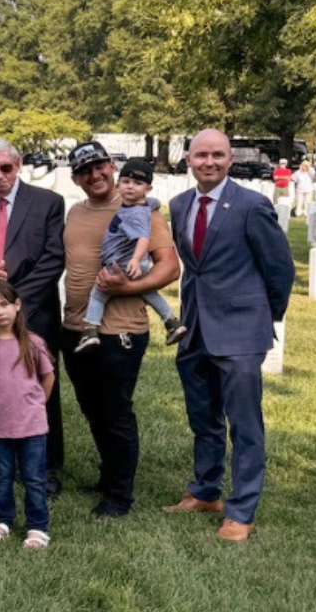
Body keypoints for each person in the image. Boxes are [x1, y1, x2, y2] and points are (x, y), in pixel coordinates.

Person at [164, 128, 294, 542]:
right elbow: (194, 269)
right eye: (201, 155)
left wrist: (263, 319)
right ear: (189, 160)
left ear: (230, 159)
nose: (209, 162)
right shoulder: (180, 204)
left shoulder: (252, 205)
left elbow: (280, 269)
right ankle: (205, 492)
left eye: (217, 155)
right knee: (203, 417)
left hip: (241, 332)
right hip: (195, 330)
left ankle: (241, 510)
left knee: (245, 425)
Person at [60, 140, 179, 518]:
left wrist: (127, 287)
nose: (94, 175)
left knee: (116, 410)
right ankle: (108, 474)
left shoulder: (141, 208)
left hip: (121, 330)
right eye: (84, 171)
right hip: (77, 326)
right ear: (75, 178)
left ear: (112, 166)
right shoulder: (75, 213)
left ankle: (120, 495)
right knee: (91, 407)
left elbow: (169, 267)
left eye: (100, 167)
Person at [0, 139, 65, 496]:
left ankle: (46, 467)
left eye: (6, 167)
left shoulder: (48, 202)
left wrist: (12, 301)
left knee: (41, 384)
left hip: (35, 311)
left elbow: (54, 258)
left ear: (17, 165)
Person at [0, 279, 55, 550]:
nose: (0, 312)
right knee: (1, 475)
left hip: (31, 425)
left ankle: (37, 526)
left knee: (34, 477)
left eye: (5, 304)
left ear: (17, 305)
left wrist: (38, 403)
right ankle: (3, 519)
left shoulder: (33, 342)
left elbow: (48, 376)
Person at [75, 159, 186, 352]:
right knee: (148, 292)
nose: (131, 187)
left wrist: (135, 259)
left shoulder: (135, 214)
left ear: (147, 189)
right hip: (132, 262)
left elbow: (143, 237)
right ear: (118, 185)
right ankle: (172, 322)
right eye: (126, 182)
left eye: (138, 183)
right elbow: (152, 203)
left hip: (123, 263)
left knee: (98, 294)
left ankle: (90, 331)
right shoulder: (144, 205)